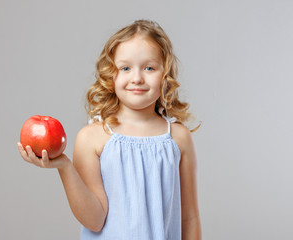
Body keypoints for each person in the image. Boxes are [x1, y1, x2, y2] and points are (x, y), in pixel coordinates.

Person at [17, 19, 201, 240]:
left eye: (149, 67)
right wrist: (65, 166)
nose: (137, 78)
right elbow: (95, 220)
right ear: (111, 75)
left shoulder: (179, 138)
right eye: (125, 68)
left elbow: (189, 218)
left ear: (166, 74)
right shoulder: (92, 138)